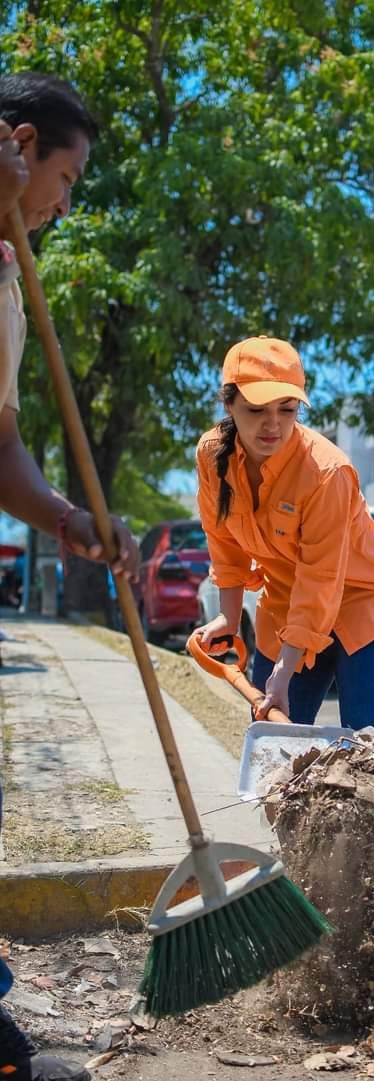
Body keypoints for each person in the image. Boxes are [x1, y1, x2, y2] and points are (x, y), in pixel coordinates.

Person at [0, 72, 139, 1081]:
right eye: (65, 175)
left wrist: (69, 517)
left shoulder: (7, 274)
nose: (65, 201)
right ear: (17, 147)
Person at [195, 335, 374, 747]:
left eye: (287, 409)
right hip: (286, 607)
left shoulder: (327, 472)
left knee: (369, 751)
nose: (273, 425)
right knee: (273, 748)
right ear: (228, 404)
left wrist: (284, 670)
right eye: (256, 410)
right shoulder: (214, 455)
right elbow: (222, 538)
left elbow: (321, 578)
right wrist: (228, 616)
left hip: (363, 608)